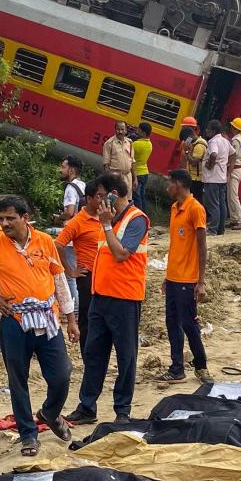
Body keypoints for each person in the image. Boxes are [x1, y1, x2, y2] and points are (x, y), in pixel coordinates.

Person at [0, 196, 77, 458]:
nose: (4, 223)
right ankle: (28, 435)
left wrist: (71, 318)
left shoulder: (45, 242)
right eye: (0, 219)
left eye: (10, 218)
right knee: (18, 380)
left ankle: (49, 412)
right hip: (14, 322)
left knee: (62, 374)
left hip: (48, 320)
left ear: (25, 218)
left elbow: (59, 279)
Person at [66, 174, 149, 426]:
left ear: (115, 193)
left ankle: (122, 409)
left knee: (126, 356)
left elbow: (121, 253)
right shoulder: (110, 220)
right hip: (100, 298)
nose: (100, 201)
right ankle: (87, 406)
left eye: (103, 195)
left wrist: (105, 225)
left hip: (124, 299)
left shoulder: (137, 220)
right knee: (94, 354)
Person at [156, 170, 212, 384]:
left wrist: (201, 281)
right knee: (172, 323)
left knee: (189, 324)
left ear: (178, 184)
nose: (167, 187)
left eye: (169, 183)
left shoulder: (195, 209)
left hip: (188, 280)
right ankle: (177, 368)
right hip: (173, 278)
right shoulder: (174, 208)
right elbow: (176, 246)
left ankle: (201, 366)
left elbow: (202, 245)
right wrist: (167, 276)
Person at [55, 176, 107, 355]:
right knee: (87, 317)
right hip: (87, 276)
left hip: (105, 275)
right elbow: (58, 244)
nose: (103, 200)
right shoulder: (78, 221)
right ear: (89, 198)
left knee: (102, 317)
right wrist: (70, 271)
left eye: (104, 196)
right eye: (99, 196)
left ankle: (99, 353)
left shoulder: (105, 217)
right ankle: (87, 355)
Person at [52, 156, 86, 310]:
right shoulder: (83, 185)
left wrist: (59, 217)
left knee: (69, 274)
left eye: (63, 166)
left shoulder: (70, 187)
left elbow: (70, 211)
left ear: (71, 170)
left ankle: (75, 310)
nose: (61, 169)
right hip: (83, 234)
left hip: (71, 236)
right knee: (77, 273)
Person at [202, 119, 234, 235]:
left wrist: (210, 165)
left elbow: (214, 154)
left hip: (212, 178)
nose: (206, 131)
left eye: (208, 129)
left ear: (213, 131)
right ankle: (221, 229)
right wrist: (228, 169)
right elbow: (233, 153)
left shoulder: (213, 142)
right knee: (221, 204)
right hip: (221, 178)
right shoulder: (225, 141)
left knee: (212, 204)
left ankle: (213, 229)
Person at [226, 118, 241, 230]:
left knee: (233, 196)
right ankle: (234, 219)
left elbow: (232, 158)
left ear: (234, 128)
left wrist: (228, 172)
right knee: (230, 196)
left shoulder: (236, 141)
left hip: (235, 170)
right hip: (237, 169)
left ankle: (240, 221)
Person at [181, 117, 207, 204]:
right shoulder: (191, 141)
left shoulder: (199, 145)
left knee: (194, 201)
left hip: (196, 179)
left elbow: (193, 162)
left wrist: (187, 151)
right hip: (190, 175)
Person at [102, 121, 134, 188]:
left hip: (128, 177)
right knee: (114, 197)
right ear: (115, 130)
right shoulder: (109, 143)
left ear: (126, 131)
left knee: (126, 198)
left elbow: (132, 162)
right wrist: (108, 179)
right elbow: (106, 164)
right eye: (118, 129)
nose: (120, 131)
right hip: (115, 178)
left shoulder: (129, 142)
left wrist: (135, 179)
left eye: (122, 129)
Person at [131, 122, 153, 212]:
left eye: (138, 130)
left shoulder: (136, 144)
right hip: (145, 172)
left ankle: (139, 214)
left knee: (136, 196)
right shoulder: (149, 144)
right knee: (142, 196)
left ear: (143, 133)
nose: (137, 131)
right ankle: (144, 213)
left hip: (137, 173)